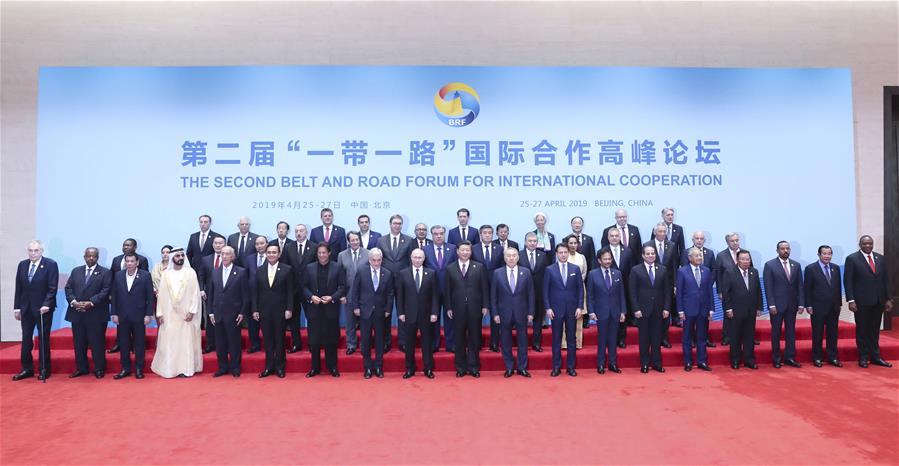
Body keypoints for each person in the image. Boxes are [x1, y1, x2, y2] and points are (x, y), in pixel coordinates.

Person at [152, 247, 203, 378]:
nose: (180, 258)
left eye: (182, 255)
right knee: (171, 341)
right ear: (172, 258)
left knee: (185, 342)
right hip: (169, 315)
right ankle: (170, 369)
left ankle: (186, 368)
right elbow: (161, 295)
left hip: (186, 314)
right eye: (177, 256)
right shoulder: (166, 274)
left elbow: (195, 294)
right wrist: (160, 313)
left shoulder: (190, 272)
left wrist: (192, 311)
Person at [844, 235, 894, 368]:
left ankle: (875, 357)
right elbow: (848, 281)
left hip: (878, 301)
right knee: (862, 331)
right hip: (861, 302)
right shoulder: (852, 259)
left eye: (870, 243)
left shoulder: (880, 258)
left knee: (874, 330)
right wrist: (851, 300)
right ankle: (863, 357)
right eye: (865, 244)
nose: (868, 246)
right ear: (860, 244)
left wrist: (888, 298)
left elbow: (885, 280)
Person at [12, 240, 58, 381]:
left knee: (43, 339)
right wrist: (17, 307)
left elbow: (52, 288)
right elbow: (18, 287)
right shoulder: (22, 265)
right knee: (26, 339)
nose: (33, 253)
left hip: (43, 309)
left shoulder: (50, 264)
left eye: (36, 250)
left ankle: (44, 369)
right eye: (30, 251)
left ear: (42, 251)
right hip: (26, 308)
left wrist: (46, 304)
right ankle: (27, 369)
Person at [64, 247, 112, 378]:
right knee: (79, 343)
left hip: (96, 314)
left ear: (98, 257)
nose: (91, 258)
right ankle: (81, 368)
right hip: (77, 312)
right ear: (84, 256)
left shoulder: (105, 272)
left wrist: (90, 302)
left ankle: (99, 369)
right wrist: (74, 302)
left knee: (97, 343)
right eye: (89, 256)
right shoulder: (76, 271)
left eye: (94, 256)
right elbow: (68, 288)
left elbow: (106, 290)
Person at [444, 241, 489, 377]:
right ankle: (460, 367)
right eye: (462, 250)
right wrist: (448, 307)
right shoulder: (450, 268)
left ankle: (474, 367)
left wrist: (485, 305)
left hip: (475, 308)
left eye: (467, 250)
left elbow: (484, 288)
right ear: (457, 251)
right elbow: (447, 290)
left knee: (475, 338)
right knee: (459, 339)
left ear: (471, 252)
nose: (465, 252)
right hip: (457, 309)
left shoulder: (479, 267)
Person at [396, 249, 440, 378]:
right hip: (409, 315)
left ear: (424, 258)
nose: (417, 260)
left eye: (420, 257)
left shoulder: (431, 273)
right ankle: (410, 368)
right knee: (409, 343)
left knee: (427, 343)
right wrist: (401, 313)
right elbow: (400, 296)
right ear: (411, 258)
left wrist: (434, 313)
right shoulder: (403, 273)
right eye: (415, 257)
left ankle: (428, 368)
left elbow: (435, 296)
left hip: (426, 315)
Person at [304, 243, 346, 377]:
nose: (321, 255)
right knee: (314, 340)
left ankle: (332, 367)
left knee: (331, 340)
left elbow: (343, 287)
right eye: (319, 253)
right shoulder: (309, 267)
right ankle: (314, 368)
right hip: (314, 308)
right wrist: (311, 297)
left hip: (330, 308)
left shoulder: (338, 267)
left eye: (324, 253)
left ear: (329, 253)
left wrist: (332, 297)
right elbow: (303, 287)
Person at [110, 253, 154, 380]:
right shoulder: (118, 275)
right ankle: (125, 369)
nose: (129, 263)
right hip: (122, 315)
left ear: (137, 262)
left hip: (139, 316)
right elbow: (114, 295)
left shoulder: (145, 275)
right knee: (123, 343)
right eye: (127, 261)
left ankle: (139, 369)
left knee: (139, 343)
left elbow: (149, 296)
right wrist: (114, 313)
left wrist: (148, 314)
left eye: (132, 261)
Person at [491, 248, 534, 377]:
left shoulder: (526, 272)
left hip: (522, 312)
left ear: (518, 257)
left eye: (514, 255)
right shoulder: (497, 273)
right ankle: (509, 367)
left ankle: (522, 367)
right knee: (505, 341)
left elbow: (531, 294)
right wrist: (495, 313)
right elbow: (493, 295)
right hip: (504, 313)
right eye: (508, 256)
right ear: (504, 258)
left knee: (523, 341)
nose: (511, 258)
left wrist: (531, 312)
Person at [351, 248, 393, 378]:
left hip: (381, 312)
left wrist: (388, 309)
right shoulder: (362, 271)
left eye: (378, 260)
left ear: (382, 260)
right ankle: (368, 367)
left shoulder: (387, 273)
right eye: (373, 260)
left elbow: (390, 293)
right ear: (369, 260)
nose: (376, 263)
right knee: (366, 340)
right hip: (365, 311)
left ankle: (379, 367)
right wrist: (356, 307)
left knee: (380, 341)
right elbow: (355, 291)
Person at [207, 246, 249, 377]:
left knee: (234, 342)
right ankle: (222, 367)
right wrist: (210, 312)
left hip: (234, 314)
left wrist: (242, 312)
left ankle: (235, 367)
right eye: (222, 254)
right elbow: (211, 293)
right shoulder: (215, 272)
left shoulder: (241, 272)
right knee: (220, 343)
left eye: (227, 254)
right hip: (218, 313)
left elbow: (245, 295)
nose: (224, 256)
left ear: (232, 256)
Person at [253, 243, 294, 378]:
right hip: (264, 311)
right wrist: (255, 309)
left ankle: (280, 367)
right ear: (266, 254)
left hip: (280, 311)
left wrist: (289, 308)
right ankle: (269, 367)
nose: (271, 255)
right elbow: (256, 292)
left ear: (279, 254)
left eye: (274, 252)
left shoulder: (287, 269)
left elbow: (290, 292)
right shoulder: (259, 270)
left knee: (279, 339)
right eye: (269, 252)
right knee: (268, 340)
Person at [544, 243, 585, 377]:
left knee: (571, 339)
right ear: (556, 254)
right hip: (555, 310)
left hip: (573, 310)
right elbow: (545, 291)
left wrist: (580, 306)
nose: (563, 255)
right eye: (560, 252)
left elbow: (580, 289)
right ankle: (556, 367)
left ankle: (570, 367)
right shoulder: (550, 269)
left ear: (568, 253)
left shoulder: (575, 269)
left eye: (565, 252)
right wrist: (548, 308)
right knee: (556, 339)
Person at [763, 241, 805, 368]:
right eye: (782, 249)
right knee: (776, 332)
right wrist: (771, 305)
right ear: (777, 250)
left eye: (787, 248)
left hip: (792, 305)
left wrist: (801, 303)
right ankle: (776, 358)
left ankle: (790, 357)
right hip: (776, 306)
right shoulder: (770, 265)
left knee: (790, 332)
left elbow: (800, 286)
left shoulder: (796, 265)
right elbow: (768, 287)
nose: (785, 251)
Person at [629, 244, 670, 373]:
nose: (651, 256)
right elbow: (632, 291)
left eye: (653, 253)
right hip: (642, 310)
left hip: (659, 309)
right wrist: (635, 308)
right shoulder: (636, 270)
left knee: (657, 338)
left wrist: (666, 308)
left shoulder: (662, 269)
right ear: (643, 255)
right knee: (644, 338)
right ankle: (645, 363)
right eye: (648, 253)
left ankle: (657, 363)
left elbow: (667, 291)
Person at [376, 214, 413, 352]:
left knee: (403, 311)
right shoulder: (381, 240)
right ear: (390, 224)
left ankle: (403, 341)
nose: (397, 225)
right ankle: (385, 341)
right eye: (395, 223)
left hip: (404, 282)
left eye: (399, 223)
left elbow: (410, 262)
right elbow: (378, 260)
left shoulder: (409, 240)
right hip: (385, 282)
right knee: (386, 312)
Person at [720, 250, 762, 370]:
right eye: (743, 259)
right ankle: (735, 360)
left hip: (751, 310)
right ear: (737, 260)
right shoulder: (729, 272)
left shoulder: (754, 272)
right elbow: (726, 293)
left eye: (747, 259)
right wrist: (728, 308)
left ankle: (749, 360)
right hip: (735, 310)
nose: (745, 261)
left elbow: (758, 291)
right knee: (735, 337)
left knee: (749, 336)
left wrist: (759, 307)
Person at [107, 237, 150, 353]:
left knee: (136, 327)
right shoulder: (116, 260)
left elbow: (145, 279)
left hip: (136, 301)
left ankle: (136, 346)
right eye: (124, 245)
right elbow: (112, 278)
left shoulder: (142, 259)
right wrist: (111, 294)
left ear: (135, 247)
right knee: (121, 325)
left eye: (128, 245)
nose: (125, 247)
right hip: (120, 299)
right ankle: (119, 344)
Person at [587, 249, 626, 374]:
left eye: (609, 259)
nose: (608, 261)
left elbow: (621, 295)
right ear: (599, 260)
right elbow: (590, 295)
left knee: (613, 339)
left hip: (615, 312)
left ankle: (613, 364)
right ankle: (600, 364)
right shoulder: (593, 274)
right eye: (605, 259)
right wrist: (591, 311)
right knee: (602, 339)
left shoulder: (617, 274)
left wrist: (623, 311)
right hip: (600, 312)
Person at [804, 245, 843, 367]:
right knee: (817, 333)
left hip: (833, 307)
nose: (827, 256)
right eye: (824, 254)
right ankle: (817, 358)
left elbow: (837, 287)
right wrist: (808, 305)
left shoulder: (835, 268)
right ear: (819, 255)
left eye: (829, 254)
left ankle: (833, 357)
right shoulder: (811, 268)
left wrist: (839, 303)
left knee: (833, 333)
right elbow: (807, 289)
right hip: (817, 307)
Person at [676, 247, 714, 371]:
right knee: (687, 337)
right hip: (688, 310)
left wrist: (711, 309)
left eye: (700, 256)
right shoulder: (682, 271)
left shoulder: (707, 271)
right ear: (690, 257)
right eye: (697, 256)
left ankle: (702, 361)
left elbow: (709, 291)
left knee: (702, 337)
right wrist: (680, 311)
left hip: (703, 310)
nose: (699, 258)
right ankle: (688, 362)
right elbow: (679, 293)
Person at [644, 222, 678, 348]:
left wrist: (675, 284)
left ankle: (664, 338)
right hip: (651, 285)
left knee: (665, 313)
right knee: (652, 313)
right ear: (655, 232)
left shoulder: (672, 245)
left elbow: (674, 265)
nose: (663, 234)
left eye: (664, 231)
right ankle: (652, 339)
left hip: (667, 285)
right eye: (660, 231)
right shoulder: (647, 245)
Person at [282, 224, 315, 353]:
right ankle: (296, 343)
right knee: (294, 319)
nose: (298, 233)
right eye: (296, 231)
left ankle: (313, 343)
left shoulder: (314, 247)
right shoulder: (288, 247)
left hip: (310, 289)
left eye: (301, 231)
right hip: (293, 289)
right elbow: (285, 268)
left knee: (311, 317)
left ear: (306, 232)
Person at [424, 225, 457, 352]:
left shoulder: (453, 248)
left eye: (441, 233)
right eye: (436, 234)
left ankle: (451, 344)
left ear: (444, 234)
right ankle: (434, 344)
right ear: (431, 235)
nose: (438, 236)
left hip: (450, 290)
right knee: (433, 318)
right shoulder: (425, 249)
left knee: (450, 318)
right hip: (431, 291)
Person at [681, 231, 716, 348]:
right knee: (689, 324)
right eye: (697, 238)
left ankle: (704, 339)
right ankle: (691, 340)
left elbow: (713, 270)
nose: (699, 240)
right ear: (693, 240)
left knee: (703, 322)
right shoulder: (686, 252)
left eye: (701, 238)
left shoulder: (710, 253)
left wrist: (707, 284)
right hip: (690, 295)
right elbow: (685, 271)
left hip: (704, 291)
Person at [472, 224, 503, 352]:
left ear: (493, 234)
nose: (487, 235)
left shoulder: (500, 249)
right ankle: (477, 343)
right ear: (480, 234)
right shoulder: (473, 249)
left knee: (495, 316)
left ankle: (494, 343)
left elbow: (502, 269)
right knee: (476, 317)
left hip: (496, 288)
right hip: (477, 288)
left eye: (490, 233)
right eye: (484, 233)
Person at [337, 231, 369, 355]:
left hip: (365, 295)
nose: (355, 242)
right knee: (350, 322)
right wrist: (342, 294)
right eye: (352, 240)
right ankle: (351, 345)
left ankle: (364, 346)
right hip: (348, 294)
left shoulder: (368, 253)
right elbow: (339, 277)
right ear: (348, 241)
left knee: (365, 323)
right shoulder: (341, 255)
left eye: (357, 240)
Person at [520, 232, 548, 352]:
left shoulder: (543, 255)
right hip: (521, 293)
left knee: (537, 321)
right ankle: (523, 344)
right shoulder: (518, 255)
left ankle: (536, 344)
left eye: (534, 241)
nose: (532, 243)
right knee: (521, 320)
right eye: (530, 241)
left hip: (539, 293)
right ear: (525, 242)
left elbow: (546, 275)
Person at [606, 228, 634, 349]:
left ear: (620, 237)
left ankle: (621, 339)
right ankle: (610, 339)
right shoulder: (603, 251)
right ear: (608, 238)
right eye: (612, 236)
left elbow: (632, 270)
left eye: (616, 235)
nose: (614, 238)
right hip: (608, 287)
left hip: (625, 287)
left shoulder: (627, 251)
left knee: (623, 314)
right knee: (609, 314)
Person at [198, 236, 226, 354]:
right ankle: (210, 344)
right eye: (216, 243)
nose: (218, 245)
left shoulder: (230, 258)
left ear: (225, 244)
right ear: (213, 244)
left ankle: (225, 345)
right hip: (210, 294)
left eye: (220, 243)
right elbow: (201, 276)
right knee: (210, 321)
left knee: (225, 320)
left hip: (227, 294)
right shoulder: (206, 259)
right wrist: (201, 289)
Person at [714, 232, 743, 346]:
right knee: (728, 314)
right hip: (727, 291)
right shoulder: (721, 255)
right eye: (732, 241)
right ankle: (727, 337)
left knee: (744, 314)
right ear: (727, 242)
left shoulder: (745, 254)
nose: (735, 243)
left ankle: (745, 336)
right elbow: (718, 274)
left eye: (737, 240)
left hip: (743, 291)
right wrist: (720, 291)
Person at [242, 236, 269, 353]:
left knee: (267, 321)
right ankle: (254, 344)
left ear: (267, 244)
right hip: (251, 295)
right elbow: (244, 276)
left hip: (267, 295)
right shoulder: (249, 259)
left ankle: (269, 345)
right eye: (257, 244)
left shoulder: (272, 256)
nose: (259, 246)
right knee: (252, 323)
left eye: (262, 243)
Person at [560, 235, 587, 350]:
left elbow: (584, 272)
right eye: (570, 243)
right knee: (564, 317)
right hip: (565, 290)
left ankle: (578, 343)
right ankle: (564, 343)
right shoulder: (562, 255)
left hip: (580, 289)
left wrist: (577, 282)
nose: (573, 245)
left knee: (578, 317)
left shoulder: (582, 257)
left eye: (575, 243)